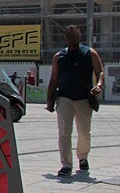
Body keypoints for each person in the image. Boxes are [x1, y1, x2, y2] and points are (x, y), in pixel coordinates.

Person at [45, 25, 105, 177]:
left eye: (75, 36)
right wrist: (50, 100)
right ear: (65, 38)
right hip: (64, 98)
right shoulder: (59, 56)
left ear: (79, 36)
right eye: (69, 37)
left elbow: (100, 71)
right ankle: (66, 164)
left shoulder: (89, 53)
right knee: (64, 132)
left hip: (84, 98)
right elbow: (54, 79)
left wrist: (99, 85)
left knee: (84, 132)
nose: (72, 39)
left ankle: (83, 157)